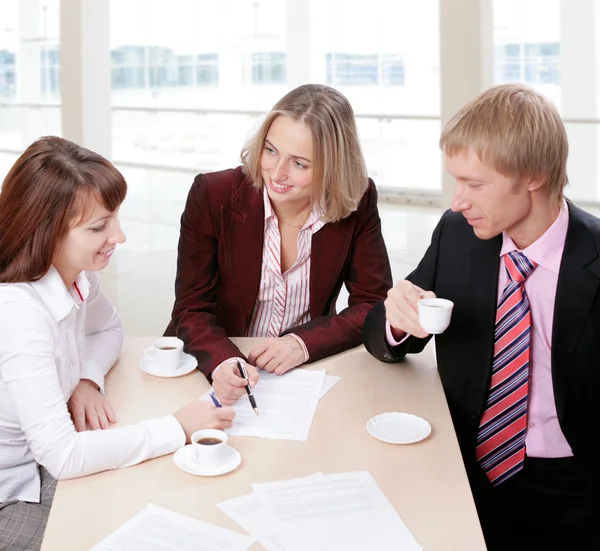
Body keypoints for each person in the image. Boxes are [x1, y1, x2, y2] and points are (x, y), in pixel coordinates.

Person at [363, 83, 599, 550]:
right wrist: (395, 318)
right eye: (456, 181)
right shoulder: (458, 235)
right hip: (464, 468)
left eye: (475, 184)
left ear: (533, 175)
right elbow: (387, 337)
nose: (458, 201)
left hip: (575, 487)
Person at [0, 137, 235, 551]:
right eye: (98, 227)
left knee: (158, 493)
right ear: (47, 231)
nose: (120, 236)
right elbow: (64, 456)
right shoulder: (19, 312)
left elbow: (108, 328)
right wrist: (177, 427)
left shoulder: (74, 271)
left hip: (39, 465)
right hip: (13, 493)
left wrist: (86, 381)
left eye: (115, 219)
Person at [165, 83, 392, 405]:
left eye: (300, 163)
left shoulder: (360, 198)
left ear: (334, 168)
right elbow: (191, 306)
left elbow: (372, 303)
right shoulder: (213, 194)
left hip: (302, 367)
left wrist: (301, 344)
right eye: (270, 151)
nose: (277, 173)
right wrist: (224, 361)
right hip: (215, 360)